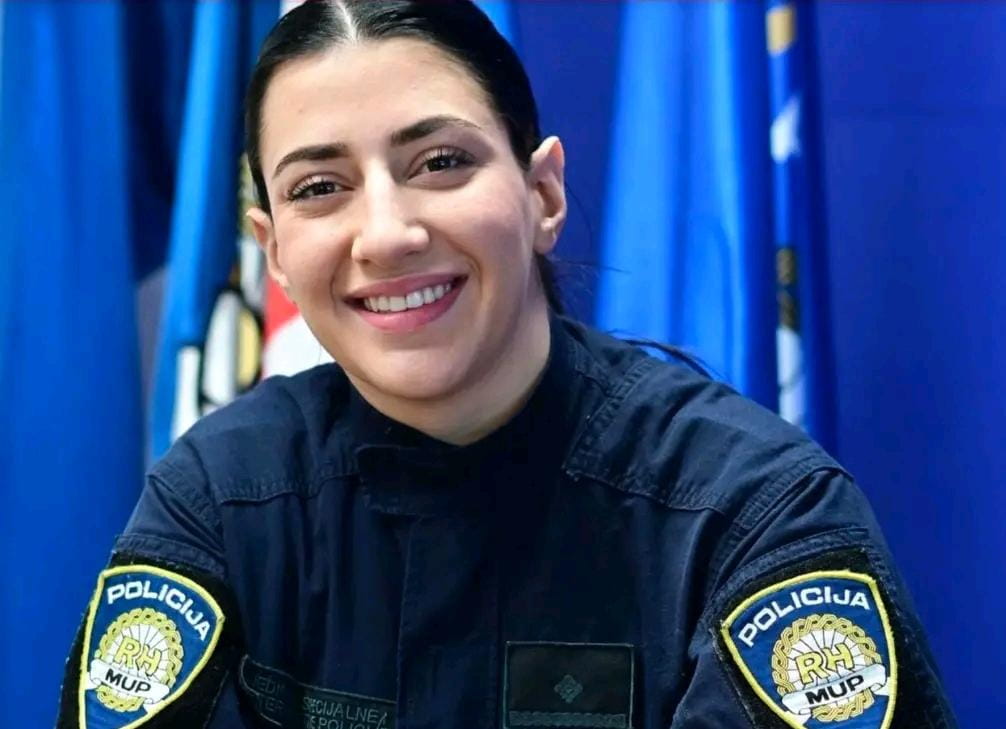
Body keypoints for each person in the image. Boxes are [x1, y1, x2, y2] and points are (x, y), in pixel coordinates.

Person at [58, 2, 958, 728]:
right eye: (320, 188)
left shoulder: (753, 516)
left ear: (543, 194)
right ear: (275, 254)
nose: (387, 233)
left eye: (440, 162)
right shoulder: (219, 500)